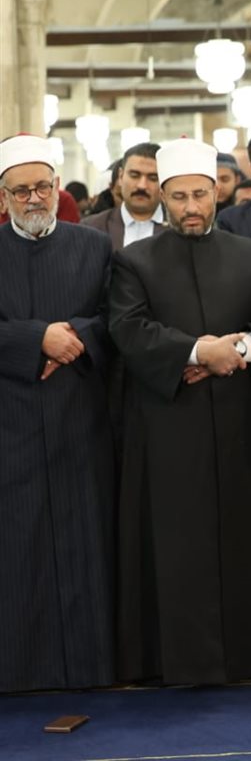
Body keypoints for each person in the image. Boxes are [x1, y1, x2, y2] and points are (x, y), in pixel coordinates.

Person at [107, 137, 251, 684]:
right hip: (170, 428)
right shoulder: (133, 261)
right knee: (178, 546)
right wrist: (194, 352)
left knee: (248, 540)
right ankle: (181, 661)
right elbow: (128, 329)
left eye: (201, 195)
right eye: (180, 196)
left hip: (244, 425)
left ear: (218, 193)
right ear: (164, 198)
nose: (191, 207)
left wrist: (238, 350)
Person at [0, 134, 115, 693]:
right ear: (4, 198)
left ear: (56, 186)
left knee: (84, 543)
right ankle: (23, 670)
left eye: (42, 187)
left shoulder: (93, 246)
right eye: (21, 191)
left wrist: (75, 338)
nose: (34, 199)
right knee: (19, 546)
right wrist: (35, 339)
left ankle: (91, 668)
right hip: (12, 424)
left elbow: (117, 319)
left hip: (79, 416)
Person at [82, 142, 166, 250]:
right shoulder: (92, 228)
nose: (142, 186)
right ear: (121, 176)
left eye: (153, 178)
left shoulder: (178, 230)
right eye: (134, 175)